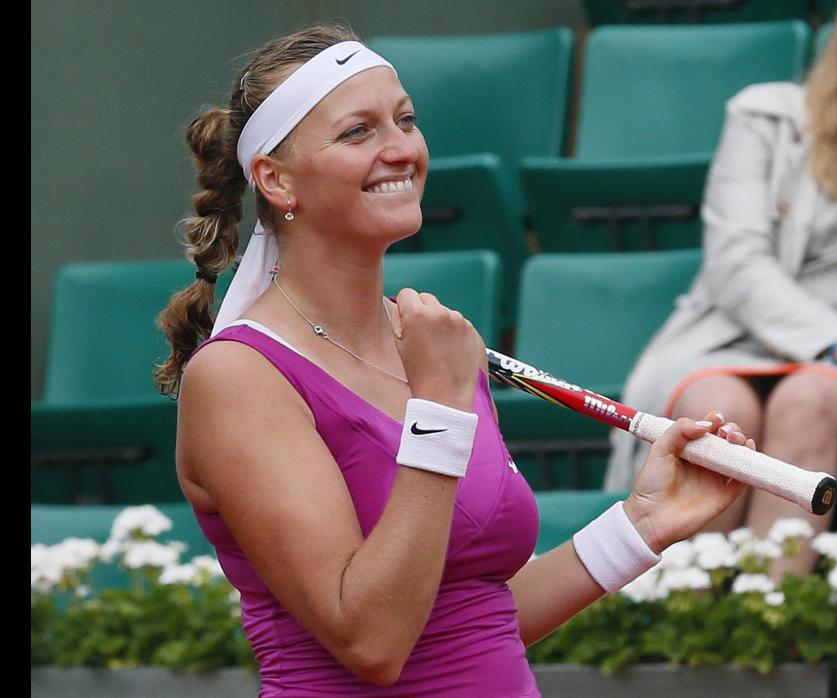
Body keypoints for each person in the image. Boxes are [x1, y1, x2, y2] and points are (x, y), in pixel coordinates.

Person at [153, 23, 755, 697]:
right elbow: (373, 640)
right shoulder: (238, 377)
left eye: (405, 120)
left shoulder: (435, 347)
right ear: (275, 179)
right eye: (359, 132)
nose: (400, 149)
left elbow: (471, 627)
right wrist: (437, 407)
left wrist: (643, 523)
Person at [606, 0, 837, 581]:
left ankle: (769, 627)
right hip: (740, 342)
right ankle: (686, 629)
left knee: (807, 402)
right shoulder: (765, 114)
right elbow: (737, 264)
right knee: (714, 412)